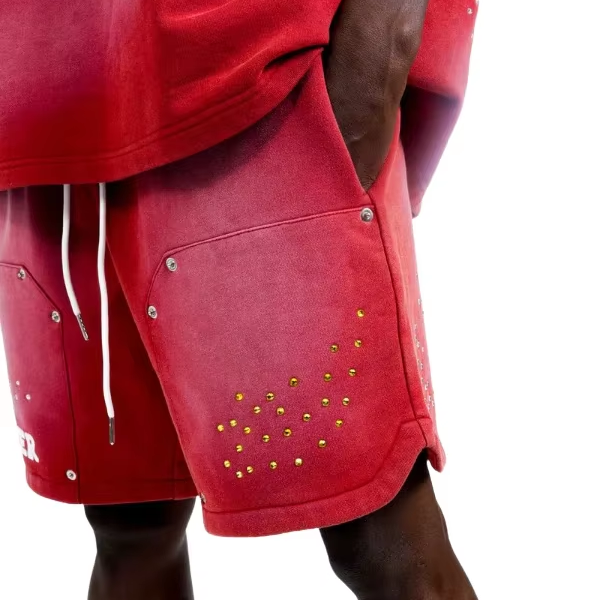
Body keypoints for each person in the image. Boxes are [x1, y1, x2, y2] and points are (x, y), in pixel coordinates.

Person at [0, 0, 478, 598]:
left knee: (378, 535)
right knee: (129, 528)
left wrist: (376, 49)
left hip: (261, 83)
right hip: (48, 118)